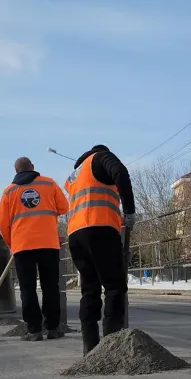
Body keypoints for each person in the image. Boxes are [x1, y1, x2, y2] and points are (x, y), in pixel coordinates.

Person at [64, 144, 136, 355]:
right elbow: (121, 173)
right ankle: (111, 347)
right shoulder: (101, 157)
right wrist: (129, 212)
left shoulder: (73, 176)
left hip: (76, 234)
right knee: (114, 286)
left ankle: (90, 346)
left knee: (90, 289)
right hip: (100, 228)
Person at [0, 156, 70, 342]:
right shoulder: (48, 183)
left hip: (22, 246)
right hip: (48, 244)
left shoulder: (8, 192)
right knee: (50, 287)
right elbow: (64, 207)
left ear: (16, 171)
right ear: (33, 167)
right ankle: (53, 328)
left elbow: (3, 223)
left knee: (27, 288)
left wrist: (12, 244)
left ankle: (34, 330)